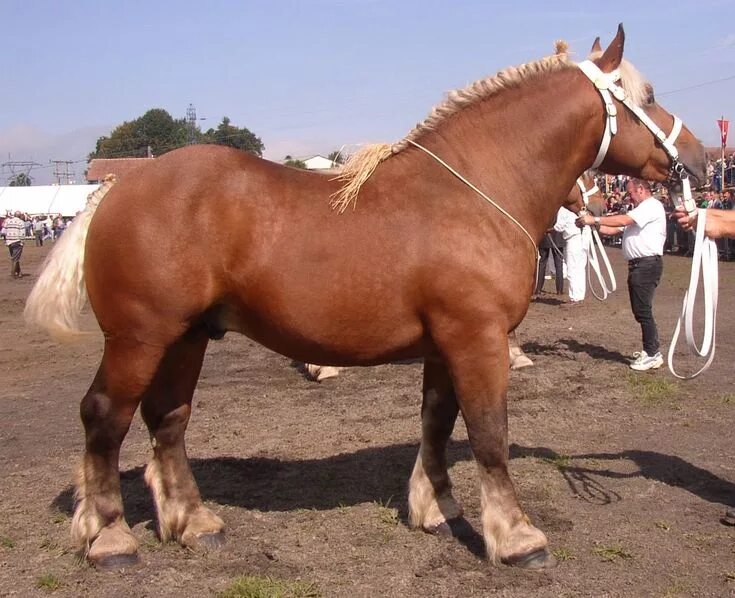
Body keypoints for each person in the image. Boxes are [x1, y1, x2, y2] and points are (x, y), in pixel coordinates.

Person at [577, 179, 666, 371]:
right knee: (640, 310)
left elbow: (624, 220)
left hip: (646, 265)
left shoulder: (651, 206)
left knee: (643, 310)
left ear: (641, 190)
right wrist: (591, 224)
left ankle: (652, 353)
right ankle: (650, 350)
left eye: (631, 192)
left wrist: (595, 220)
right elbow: (614, 229)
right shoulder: (640, 211)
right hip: (638, 266)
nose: (629, 196)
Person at [555, 205, 589, 305]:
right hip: (583, 238)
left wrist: (548, 229)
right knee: (580, 268)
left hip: (573, 239)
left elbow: (559, 227)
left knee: (572, 269)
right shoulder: (578, 208)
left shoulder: (563, 209)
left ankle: (574, 297)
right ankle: (579, 295)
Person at [534, 228, 565, 298]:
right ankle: (559, 290)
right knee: (558, 265)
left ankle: (538, 289)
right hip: (558, 237)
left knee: (542, 263)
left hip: (545, 236)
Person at [3, 211, 25, 278]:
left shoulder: (7, 221)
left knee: (14, 257)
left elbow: (3, 232)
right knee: (15, 259)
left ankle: (19, 272)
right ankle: (13, 273)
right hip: (17, 241)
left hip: (9, 242)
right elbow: (22, 233)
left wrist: (6, 240)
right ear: (19, 216)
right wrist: (22, 241)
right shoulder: (21, 222)